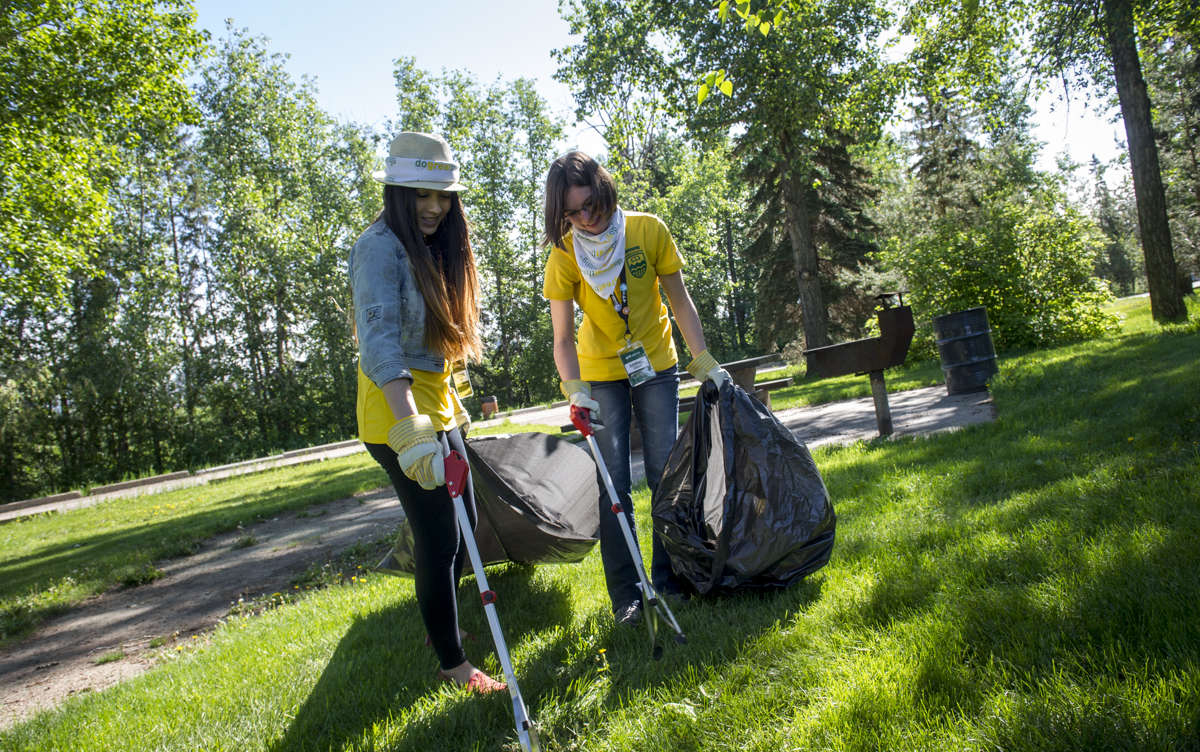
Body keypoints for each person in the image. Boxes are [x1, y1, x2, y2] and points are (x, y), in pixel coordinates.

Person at [541, 151, 730, 625]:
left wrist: (701, 358)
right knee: (614, 487)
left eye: (592, 204)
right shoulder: (565, 254)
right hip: (599, 373)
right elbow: (563, 337)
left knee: (668, 474)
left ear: (605, 189)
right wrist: (574, 390)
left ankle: (672, 581)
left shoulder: (648, 231)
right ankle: (627, 596)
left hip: (656, 367)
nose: (587, 218)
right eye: (574, 212)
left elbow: (681, 303)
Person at [351, 132, 504, 693]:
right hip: (395, 412)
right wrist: (410, 429)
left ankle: (440, 627)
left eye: (443, 196)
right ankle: (453, 663)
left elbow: (439, 344)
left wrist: (448, 411)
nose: (436, 206)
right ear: (397, 191)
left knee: (462, 530)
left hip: (437, 405)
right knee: (439, 536)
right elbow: (380, 341)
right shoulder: (378, 247)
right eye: (422, 195)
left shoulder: (436, 244)